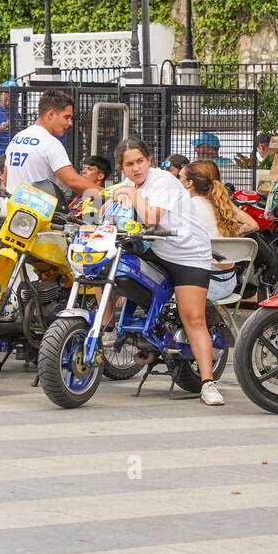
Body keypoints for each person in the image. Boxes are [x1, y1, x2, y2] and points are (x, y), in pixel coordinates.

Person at [110, 138, 224, 406]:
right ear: (121, 167)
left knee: (193, 318)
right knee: (110, 260)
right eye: (129, 164)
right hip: (159, 252)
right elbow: (108, 211)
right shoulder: (127, 184)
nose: (136, 168)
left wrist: (132, 194)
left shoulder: (163, 182)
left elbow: (151, 218)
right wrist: (109, 202)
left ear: (149, 160)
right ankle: (109, 327)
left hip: (188, 255)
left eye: (140, 161)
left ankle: (208, 383)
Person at [2, 89, 95, 197]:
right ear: (51, 114)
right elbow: (73, 181)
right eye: (66, 117)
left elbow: (6, 178)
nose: (70, 123)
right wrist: (107, 195)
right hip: (36, 206)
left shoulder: (16, 139)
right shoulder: (49, 143)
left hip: (12, 205)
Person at [181, 160, 259, 236]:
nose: (177, 180)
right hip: (224, 245)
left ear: (189, 183)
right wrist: (232, 236)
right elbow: (252, 225)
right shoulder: (221, 204)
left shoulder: (188, 205)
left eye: (179, 177)